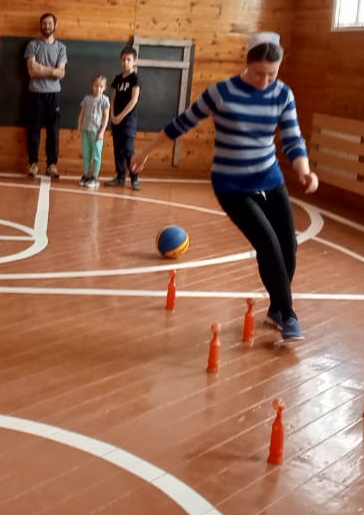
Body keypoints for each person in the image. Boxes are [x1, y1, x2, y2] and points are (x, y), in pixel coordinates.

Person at [133, 31, 318, 341]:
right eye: (260, 74)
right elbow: (181, 124)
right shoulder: (221, 93)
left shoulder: (282, 94)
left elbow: (292, 138)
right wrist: (144, 153)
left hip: (270, 178)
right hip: (232, 185)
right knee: (268, 244)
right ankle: (288, 314)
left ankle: (275, 308)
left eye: (272, 74)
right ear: (247, 64)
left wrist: (304, 171)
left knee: (288, 246)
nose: (265, 80)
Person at [24, 12, 66, 179]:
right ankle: (33, 163)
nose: (47, 26)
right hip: (35, 94)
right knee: (33, 130)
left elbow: (61, 73)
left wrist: (41, 68)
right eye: (44, 23)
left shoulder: (61, 47)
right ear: (40, 26)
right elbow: (31, 71)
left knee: (53, 132)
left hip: (53, 95)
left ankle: (52, 165)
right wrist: (52, 71)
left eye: (50, 23)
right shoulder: (33, 45)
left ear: (55, 25)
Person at [106, 45, 142, 190]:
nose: (125, 63)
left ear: (134, 61)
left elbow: (134, 100)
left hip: (128, 120)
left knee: (128, 149)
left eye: (129, 60)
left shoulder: (135, 78)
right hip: (116, 120)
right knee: (118, 149)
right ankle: (120, 176)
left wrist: (121, 116)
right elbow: (113, 98)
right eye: (123, 60)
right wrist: (112, 115)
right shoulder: (117, 78)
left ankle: (134, 177)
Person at [74, 75, 110, 188]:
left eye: (101, 86)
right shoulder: (87, 99)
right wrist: (79, 128)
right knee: (86, 154)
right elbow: (82, 114)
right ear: (92, 86)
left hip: (96, 133)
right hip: (86, 130)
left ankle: (95, 177)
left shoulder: (105, 100)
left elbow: (106, 117)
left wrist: (102, 132)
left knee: (96, 155)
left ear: (104, 88)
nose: (98, 89)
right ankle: (85, 175)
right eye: (96, 86)